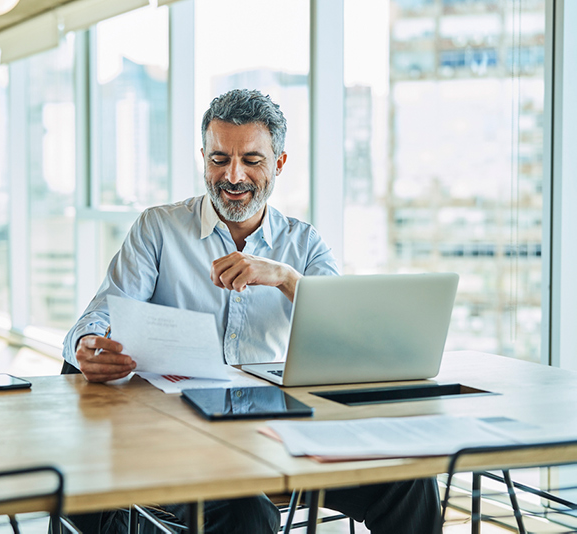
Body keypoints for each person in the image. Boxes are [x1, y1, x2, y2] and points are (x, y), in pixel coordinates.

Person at [61, 89, 442, 534]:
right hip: (177, 430)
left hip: (279, 428)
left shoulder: (304, 244)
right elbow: (100, 314)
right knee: (244, 512)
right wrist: (88, 344)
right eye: (219, 159)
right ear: (203, 158)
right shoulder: (159, 228)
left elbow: (351, 335)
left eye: (252, 160)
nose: (233, 175)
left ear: (279, 163)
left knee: (410, 481)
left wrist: (285, 278)